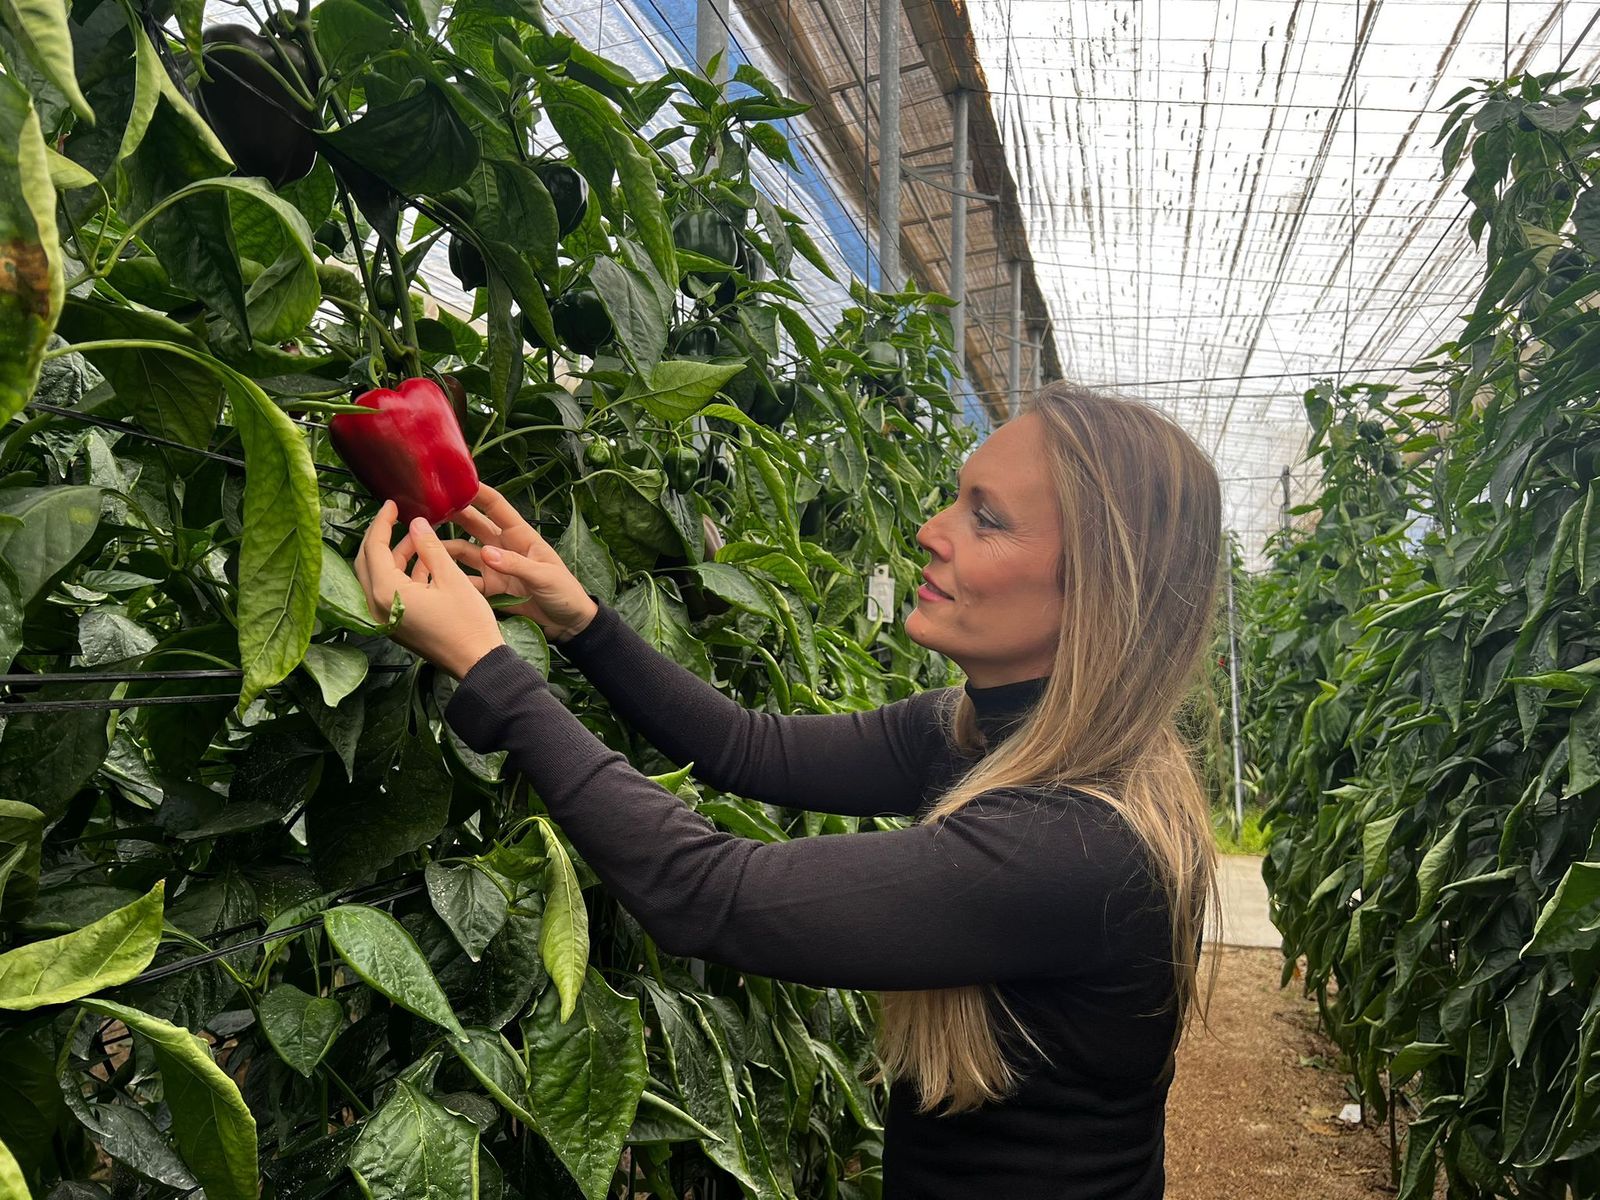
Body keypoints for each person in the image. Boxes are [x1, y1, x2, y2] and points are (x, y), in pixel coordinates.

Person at [352, 381, 1223, 1199]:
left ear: (1098, 593)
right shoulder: (985, 732)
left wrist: (491, 672)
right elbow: (747, 747)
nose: (929, 528)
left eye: (985, 518)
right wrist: (578, 616)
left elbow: (707, 895)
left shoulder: (1075, 845)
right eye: (958, 495)